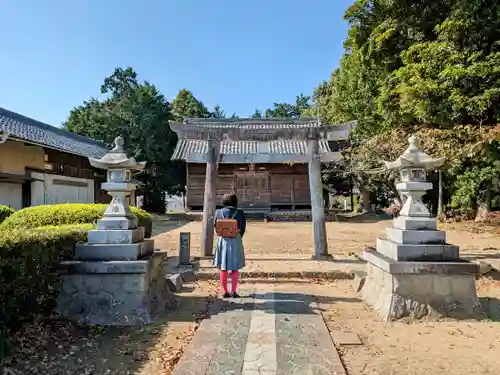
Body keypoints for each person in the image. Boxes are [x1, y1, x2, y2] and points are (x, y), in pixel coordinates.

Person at [213, 193, 246, 298]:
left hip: (222, 240)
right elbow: (243, 227)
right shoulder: (240, 213)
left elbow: (215, 225)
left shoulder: (218, 212)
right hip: (235, 240)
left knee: (223, 267)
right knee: (235, 268)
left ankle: (224, 291)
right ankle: (234, 291)